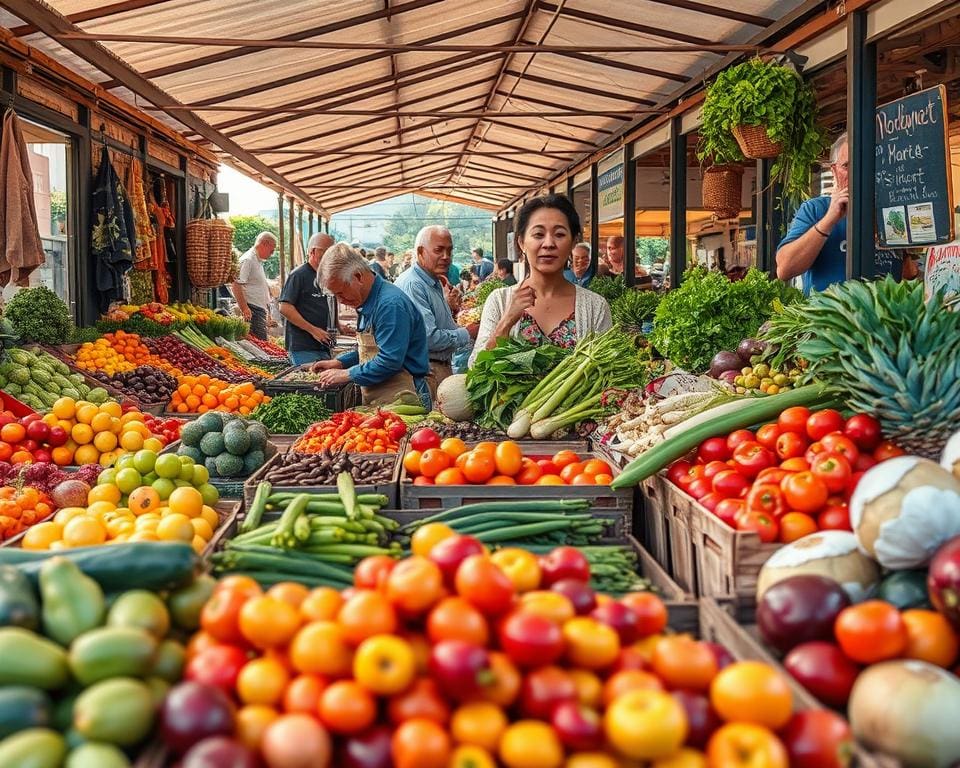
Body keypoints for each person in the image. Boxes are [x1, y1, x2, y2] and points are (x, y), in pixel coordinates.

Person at [469, 194, 612, 366]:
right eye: (538, 234)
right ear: (522, 242)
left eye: (559, 234)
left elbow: (607, 372)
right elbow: (475, 369)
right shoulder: (499, 301)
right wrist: (507, 321)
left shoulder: (595, 307)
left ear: (574, 241)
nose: (549, 243)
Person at [310, 243, 432, 408]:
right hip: (385, 397)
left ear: (358, 277)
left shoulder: (390, 305)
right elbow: (373, 349)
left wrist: (348, 374)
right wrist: (340, 363)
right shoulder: (367, 301)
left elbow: (390, 360)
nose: (340, 301)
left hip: (405, 397)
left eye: (340, 293)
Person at [395, 225, 479, 397]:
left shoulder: (431, 281)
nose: (446, 257)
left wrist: (450, 309)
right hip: (427, 373)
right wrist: (467, 333)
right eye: (439, 250)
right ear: (420, 252)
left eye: (449, 250)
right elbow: (428, 338)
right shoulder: (414, 284)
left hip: (437, 368)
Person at [776, 132, 848, 294]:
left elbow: (909, 272)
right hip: (827, 317)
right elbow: (784, 269)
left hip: (884, 317)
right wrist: (830, 219)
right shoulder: (816, 209)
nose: (857, 173)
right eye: (847, 166)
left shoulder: (886, 211)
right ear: (834, 171)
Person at [279, 232, 334, 366]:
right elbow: (284, 307)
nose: (331, 256)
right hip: (303, 347)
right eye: (327, 251)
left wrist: (337, 324)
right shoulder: (299, 275)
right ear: (313, 251)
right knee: (312, 383)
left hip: (323, 345)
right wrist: (313, 330)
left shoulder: (324, 275)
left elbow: (328, 302)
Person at [231, 231, 276, 340]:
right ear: (265, 243)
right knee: (260, 345)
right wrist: (245, 308)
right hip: (252, 310)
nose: (272, 254)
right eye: (272, 250)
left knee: (261, 344)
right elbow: (236, 285)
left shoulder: (257, 260)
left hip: (257, 310)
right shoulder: (248, 260)